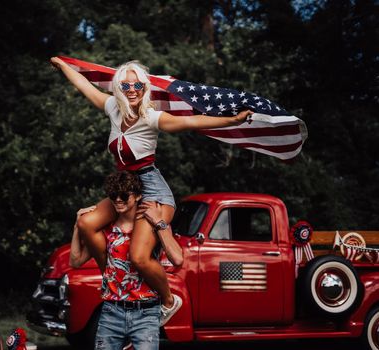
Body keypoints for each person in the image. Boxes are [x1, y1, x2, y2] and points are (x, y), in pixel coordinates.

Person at [51, 56, 252, 325]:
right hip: (125, 189)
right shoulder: (112, 107)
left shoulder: (152, 118)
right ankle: (112, 277)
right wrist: (64, 66)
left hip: (152, 191)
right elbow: (84, 86)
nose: (132, 90)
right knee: (87, 223)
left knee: (139, 256)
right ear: (118, 89)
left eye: (138, 86)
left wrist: (231, 121)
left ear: (145, 89)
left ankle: (169, 301)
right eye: (126, 86)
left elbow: (193, 122)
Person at [70, 171, 183, 350]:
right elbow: (75, 261)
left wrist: (160, 223)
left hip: (145, 312)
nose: (118, 200)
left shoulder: (151, 228)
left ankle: (169, 302)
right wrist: (78, 226)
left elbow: (177, 258)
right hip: (111, 312)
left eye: (124, 195)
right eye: (114, 196)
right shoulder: (106, 230)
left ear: (138, 196)